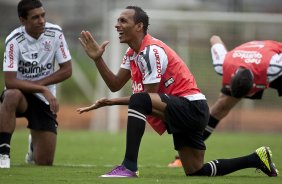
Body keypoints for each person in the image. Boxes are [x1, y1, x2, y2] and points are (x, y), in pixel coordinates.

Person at [77, 6, 278, 177]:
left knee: (140, 99)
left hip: (192, 108)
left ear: (139, 26)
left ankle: (129, 167)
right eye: (117, 21)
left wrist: (111, 102)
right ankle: (256, 158)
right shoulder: (132, 53)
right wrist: (97, 59)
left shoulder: (151, 51)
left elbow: (147, 97)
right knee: (196, 171)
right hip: (184, 110)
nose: (117, 25)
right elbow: (114, 84)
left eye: (123, 21)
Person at [168, 35, 282, 168]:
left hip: (270, 60)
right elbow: (214, 38)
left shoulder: (275, 66)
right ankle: (187, 154)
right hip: (248, 61)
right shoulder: (222, 63)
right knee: (220, 107)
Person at [0, 0, 72, 168]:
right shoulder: (14, 40)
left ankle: (34, 144)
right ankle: (3, 153)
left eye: (43, 15)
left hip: (43, 99)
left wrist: (40, 86)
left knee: (45, 162)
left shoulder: (55, 34)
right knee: (11, 95)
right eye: (35, 17)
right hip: (20, 96)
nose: (41, 21)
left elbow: (67, 70)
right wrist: (41, 87)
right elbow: (10, 82)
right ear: (23, 20)